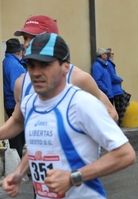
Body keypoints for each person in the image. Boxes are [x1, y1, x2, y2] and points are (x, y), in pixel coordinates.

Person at [2, 33, 136, 199]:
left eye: (44, 65)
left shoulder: (82, 104)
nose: (35, 72)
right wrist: (18, 173)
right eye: (31, 64)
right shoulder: (30, 101)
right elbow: (36, 142)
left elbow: (125, 154)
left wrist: (73, 177)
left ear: (65, 67)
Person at [0, 15, 118, 145]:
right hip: (41, 160)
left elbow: (111, 113)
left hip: (75, 164)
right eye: (25, 38)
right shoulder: (21, 83)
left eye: (34, 38)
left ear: (53, 40)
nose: (27, 43)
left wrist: (79, 140)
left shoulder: (78, 78)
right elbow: (18, 121)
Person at [2, 38, 27, 158]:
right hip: (15, 104)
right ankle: (19, 164)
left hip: (9, 104)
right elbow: (17, 87)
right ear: (19, 52)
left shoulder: (6, 61)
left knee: (16, 139)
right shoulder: (14, 65)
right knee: (19, 140)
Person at [106, 48, 127, 126]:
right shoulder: (109, 64)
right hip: (115, 90)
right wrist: (120, 79)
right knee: (119, 108)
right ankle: (118, 124)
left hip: (115, 89)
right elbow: (112, 77)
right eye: (112, 54)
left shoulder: (109, 63)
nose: (113, 55)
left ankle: (118, 123)